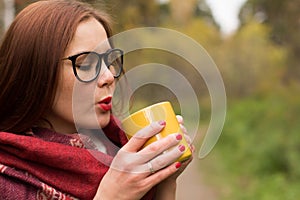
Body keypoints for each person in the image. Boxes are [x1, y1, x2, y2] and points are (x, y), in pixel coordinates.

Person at [0, 0, 193, 199]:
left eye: (109, 61)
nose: (109, 76)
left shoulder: (119, 146)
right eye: (85, 64)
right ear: (35, 72)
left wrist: (165, 181)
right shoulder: (6, 181)